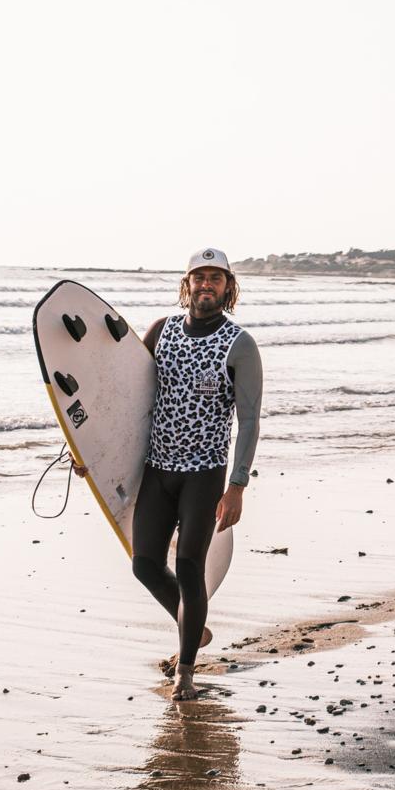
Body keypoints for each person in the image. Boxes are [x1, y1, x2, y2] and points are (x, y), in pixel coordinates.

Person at [132, 246, 262, 700]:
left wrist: (237, 486)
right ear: (186, 284)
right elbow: (125, 396)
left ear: (228, 288)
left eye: (216, 278)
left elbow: (249, 419)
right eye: (199, 277)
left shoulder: (239, 344)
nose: (206, 284)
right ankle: (194, 625)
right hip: (157, 468)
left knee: (189, 568)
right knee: (145, 564)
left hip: (204, 474)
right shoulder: (160, 331)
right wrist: (87, 446)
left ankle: (185, 673)